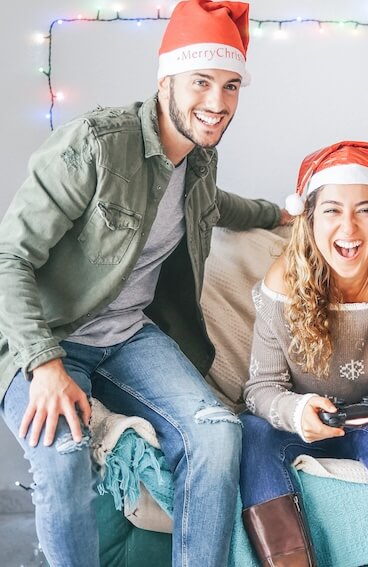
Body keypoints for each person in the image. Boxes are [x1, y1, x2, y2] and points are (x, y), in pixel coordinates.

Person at [0, 1, 288, 565]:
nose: (217, 103)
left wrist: (279, 215)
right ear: (166, 81)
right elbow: (9, 256)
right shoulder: (95, 147)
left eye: (231, 87)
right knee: (61, 452)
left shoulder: (200, 164)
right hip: (46, 339)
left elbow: (216, 208)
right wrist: (45, 364)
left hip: (129, 337)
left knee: (216, 433)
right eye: (201, 82)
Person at [239, 141, 368, 566]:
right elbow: (261, 388)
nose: (348, 227)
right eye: (331, 210)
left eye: (365, 209)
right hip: (299, 423)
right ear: (309, 219)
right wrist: (298, 412)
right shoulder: (282, 285)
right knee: (251, 434)